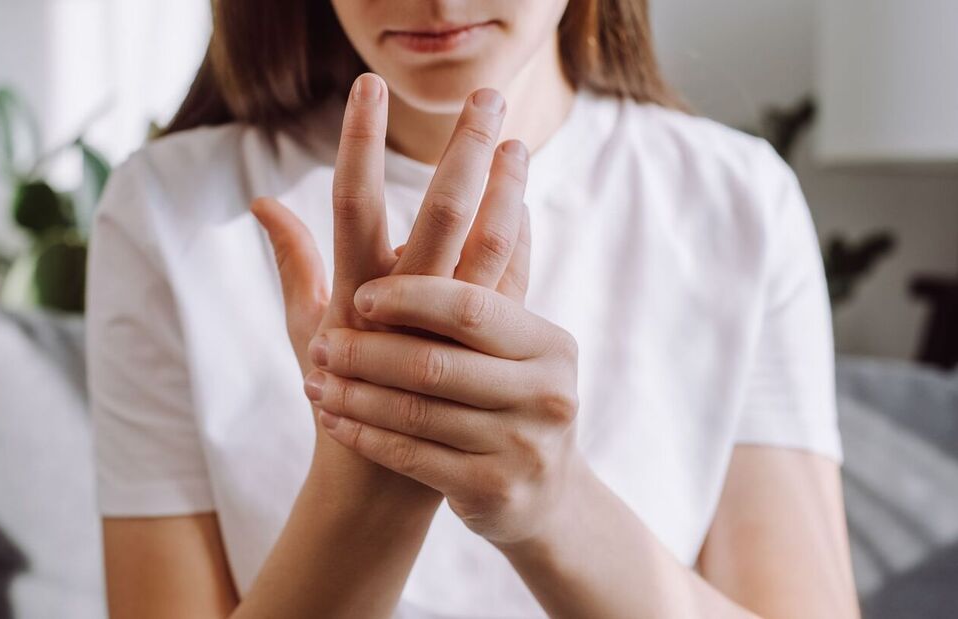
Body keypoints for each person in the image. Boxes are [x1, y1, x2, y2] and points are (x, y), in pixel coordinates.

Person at [86, 1, 860, 617]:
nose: (437, 1)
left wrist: (551, 503)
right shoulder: (168, 209)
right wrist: (365, 490)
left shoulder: (736, 202)